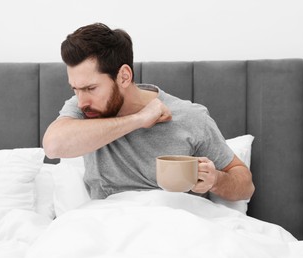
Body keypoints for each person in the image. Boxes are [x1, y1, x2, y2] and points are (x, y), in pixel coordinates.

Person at [43, 23, 255, 201]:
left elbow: (245, 185)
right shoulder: (85, 109)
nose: (81, 102)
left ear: (124, 77)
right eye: (75, 89)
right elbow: (53, 146)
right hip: (106, 226)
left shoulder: (190, 117)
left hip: (173, 227)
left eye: (90, 88)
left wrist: (216, 180)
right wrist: (138, 119)